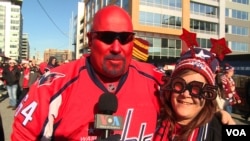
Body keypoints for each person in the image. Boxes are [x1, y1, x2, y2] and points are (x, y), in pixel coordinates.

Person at [11, 5, 234, 141]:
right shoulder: (52, 88)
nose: (116, 47)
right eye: (107, 37)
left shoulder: (157, 80)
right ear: (90, 40)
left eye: (125, 39)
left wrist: (219, 116)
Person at [153, 48, 223, 141]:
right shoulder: (153, 117)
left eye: (196, 88)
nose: (185, 94)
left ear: (208, 94)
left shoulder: (217, 132)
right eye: (179, 85)